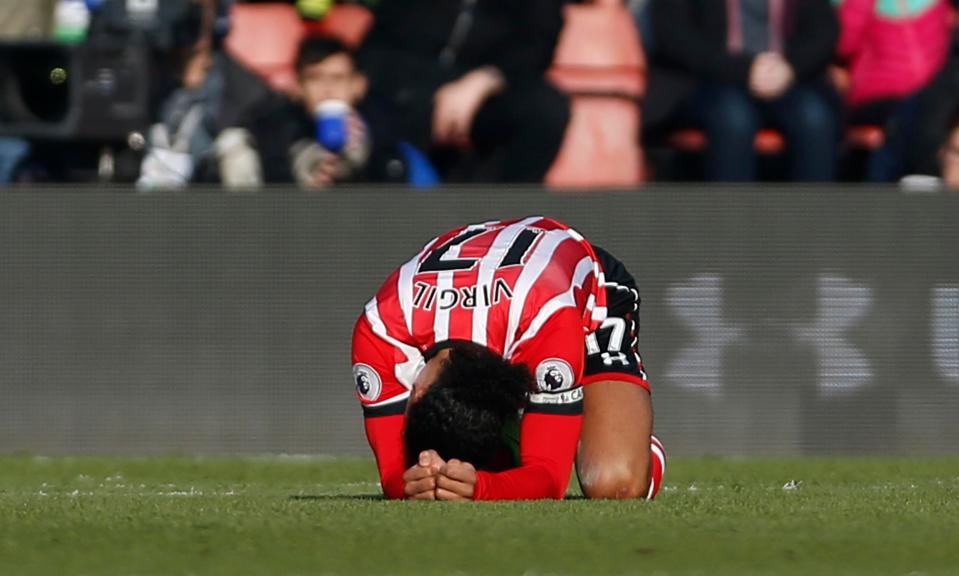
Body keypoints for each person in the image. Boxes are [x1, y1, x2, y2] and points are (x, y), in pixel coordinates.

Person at [352, 217, 666, 501]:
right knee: (479, 458)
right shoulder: (380, 327)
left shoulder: (547, 322)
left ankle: (637, 445)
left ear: (417, 393)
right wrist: (413, 483)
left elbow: (548, 478)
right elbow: (393, 474)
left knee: (613, 484)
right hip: (507, 291)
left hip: (583, 292)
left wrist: (480, 488)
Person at [356, 0, 570, 183]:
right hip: (404, 81)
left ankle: (507, 219)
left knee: (545, 109)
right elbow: (381, 41)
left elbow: (538, 43)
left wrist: (484, 80)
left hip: (488, 82)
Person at [649, 0, 839, 182]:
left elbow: (823, 30)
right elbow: (674, 35)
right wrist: (744, 70)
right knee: (733, 117)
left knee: (814, 117)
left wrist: (791, 67)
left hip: (787, 78)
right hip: (709, 80)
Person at [248, 36, 434, 187]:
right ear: (298, 87)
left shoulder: (386, 135)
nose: (327, 89)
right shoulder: (273, 131)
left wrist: (361, 160)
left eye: (338, 78)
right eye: (315, 78)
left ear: (359, 85)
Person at [835, 0, 952, 182]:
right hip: (877, 96)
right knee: (905, 118)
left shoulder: (939, 5)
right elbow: (843, 45)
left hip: (930, 95)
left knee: (926, 111)